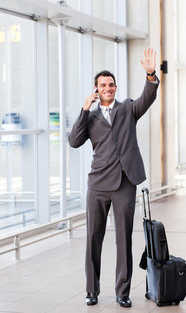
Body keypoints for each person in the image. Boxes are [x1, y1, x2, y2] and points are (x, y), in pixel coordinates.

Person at [68, 47, 159, 308]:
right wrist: (84, 109)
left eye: (111, 84)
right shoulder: (91, 117)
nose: (107, 88)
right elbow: (74, 141)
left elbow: (147, 98)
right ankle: (91, 290)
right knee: (93, 238)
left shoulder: (129, 109)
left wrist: (150, 74)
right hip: (97, 185)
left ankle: (122, 292)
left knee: (123, 239)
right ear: (96, 90)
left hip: (123, 183)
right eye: (102, 85)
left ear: (116, 88)